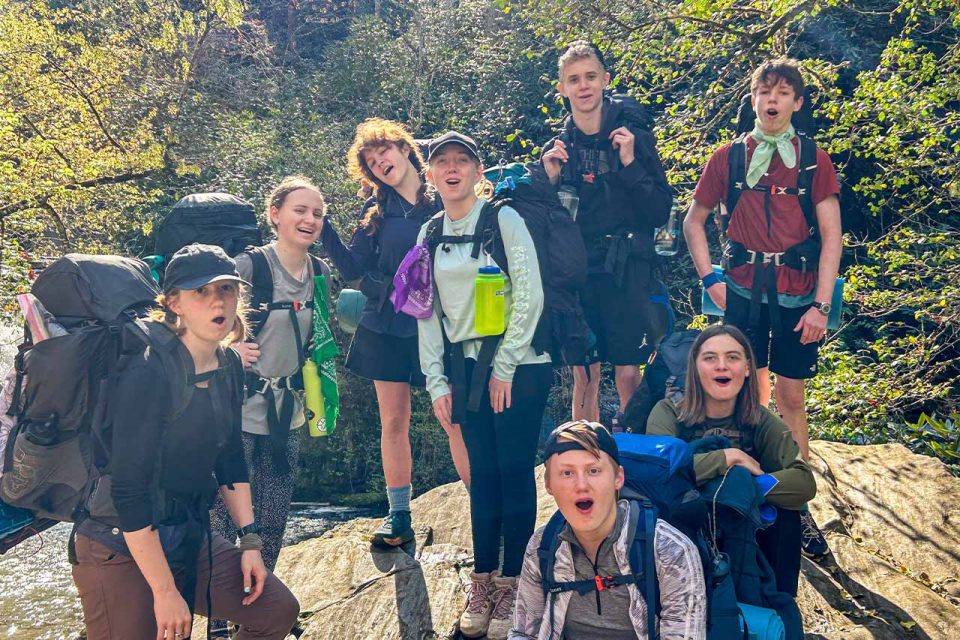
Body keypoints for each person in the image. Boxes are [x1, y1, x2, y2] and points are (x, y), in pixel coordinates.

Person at [70, 244, 299, 640]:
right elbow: (128, 491)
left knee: (276, 611)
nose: (219, 301)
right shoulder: (147, 371)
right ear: (174, 303)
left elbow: (229, 459)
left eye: (227, 289)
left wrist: (250, 542)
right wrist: (164, 591)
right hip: (118, 543)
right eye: (202, 292)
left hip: (188, 532)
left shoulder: (228, 365)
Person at [682, 58, 840, 557]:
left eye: (783, 92)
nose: (772, 100)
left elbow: (833, 236)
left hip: (798, 294)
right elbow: (694, 221)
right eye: (764, 91)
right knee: (745, 389)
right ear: (752, 100)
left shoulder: (812, 159)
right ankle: (746, 490)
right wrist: (711, 278)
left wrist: (820, 304)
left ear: (797, 102)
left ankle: (793, 501)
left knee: (791, 395)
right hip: (744, 289)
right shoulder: (729, 157)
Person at [418, 131, 553, 640]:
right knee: (482, 473)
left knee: (514, 468)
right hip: (463, 368)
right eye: (442, 163)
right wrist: (435, 382)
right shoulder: (429, 234)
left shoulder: (504, 220)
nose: (452, 169)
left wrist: (505, 366)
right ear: (431, 175)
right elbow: (425, 312)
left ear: (479, 173)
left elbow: (530, 295)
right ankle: (483, 581)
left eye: (463, 161)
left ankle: (515, 582)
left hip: (521, 364)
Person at [321, 118, 470, 548]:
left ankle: (482, 504)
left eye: (384, 151)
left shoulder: (442, 200)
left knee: (453, 417)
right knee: (394, 420)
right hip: (385, 326)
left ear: (406, 149)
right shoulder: (375, 217)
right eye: (370, 161)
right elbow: (352, 270)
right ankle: (399, 515)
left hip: (439, 327)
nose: (379, 161)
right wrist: (324, 225)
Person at [209, 176, 329, 636]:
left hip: (287, 413)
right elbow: (194, 326)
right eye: (300, 210)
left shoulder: (318, 273)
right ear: (275, 214)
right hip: (235, 412)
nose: (309, 220)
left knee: (274, 517)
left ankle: (258, 608)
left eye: (317, 213)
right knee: (225, 519)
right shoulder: (248, 266)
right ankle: (219, 619)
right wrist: (228, 351)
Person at [540, 40, 672, 427]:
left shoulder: (633, 137)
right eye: (574, 79)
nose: (583, 86)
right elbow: (543, 224)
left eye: (591, 77)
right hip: (578, 270)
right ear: (561, 89)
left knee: (628, 371)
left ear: (605, 81)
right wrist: (547, 181)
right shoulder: (559, 148)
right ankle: (585, 455)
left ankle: (633, 461)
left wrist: (630, 163)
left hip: (626, 266)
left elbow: (660, 210)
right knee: (584, 373)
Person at [646, 324, 817, 596]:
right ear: (695, 367)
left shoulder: (760, 420)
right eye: (710, 358)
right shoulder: (668, 412)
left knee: (786, 515)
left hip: (746, 527)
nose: (721, 366)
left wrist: (749, 488)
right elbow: (658, 474)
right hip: (682, 530)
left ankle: (780, 604)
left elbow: (803, 481)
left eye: (733, 357)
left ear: (748, 368)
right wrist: (726, 458)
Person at [511, 421, 707, 640]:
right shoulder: (543, 546)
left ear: (618, 478)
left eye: (593, 470)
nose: (581, 485)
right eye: (567, 473)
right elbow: (523, 632)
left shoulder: (670, 550)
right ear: (548, 484)